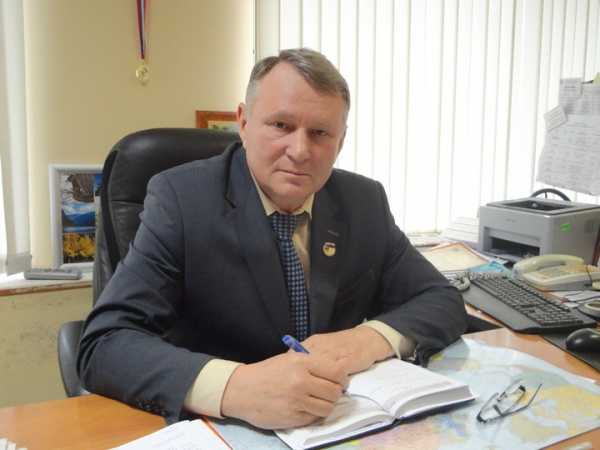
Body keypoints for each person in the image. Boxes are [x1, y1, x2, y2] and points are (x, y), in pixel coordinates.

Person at [77, 48, 467, 430]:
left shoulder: (363, 201)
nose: (300, 151)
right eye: (281, 125)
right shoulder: (181, 200)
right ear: (243, 123)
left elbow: (440, 299)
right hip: (224, 428)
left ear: (341, 140)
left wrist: (366, 340)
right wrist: (236, 388)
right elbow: (104, 343)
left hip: (336, 422)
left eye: (320, 133)